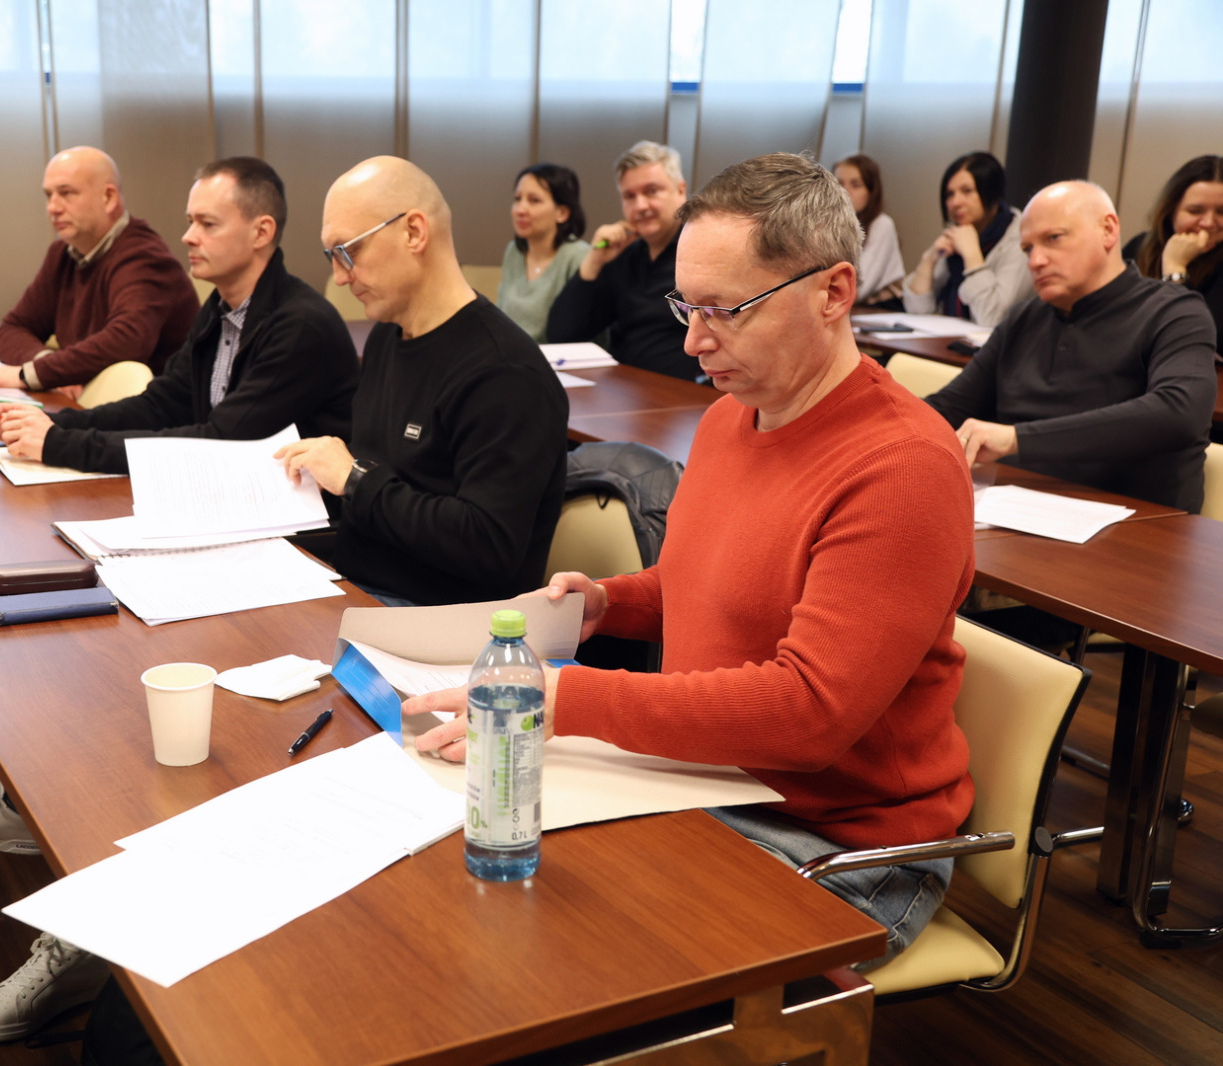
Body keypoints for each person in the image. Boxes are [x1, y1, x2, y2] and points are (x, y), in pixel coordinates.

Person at [406, 153, 976, 963]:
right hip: (714, 782)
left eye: (725, 311)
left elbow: (809, 712)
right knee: (480, 859)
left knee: (561, 943)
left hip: (840, 842)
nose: (694, 339)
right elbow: (709, 582)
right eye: (687, 305)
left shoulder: (901, 466)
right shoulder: (731, 417)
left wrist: (573, 700)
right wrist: (615, 602)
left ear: (834, 293)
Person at [275, 156, 568, 607]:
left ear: (413, 232)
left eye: (348, 251)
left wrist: (354, 479)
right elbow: (385, 490)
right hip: (359, 585)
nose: (339, 276)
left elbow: (488, 545)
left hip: (438, 616)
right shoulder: (386, 338)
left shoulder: (504, 371)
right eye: (332, 257)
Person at [0, 157, 358, 473]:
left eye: (207, 224)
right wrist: (52, 423)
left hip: (302, 522)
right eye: (190, 221)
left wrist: (59, 444)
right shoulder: (220, 309)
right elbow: (160, 405)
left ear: (261, 232)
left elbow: (221, 444)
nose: (188, 237)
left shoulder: (299, 325)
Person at [926, 180, 1217, 514]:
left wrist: (1016, 438)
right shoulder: (1024, 318)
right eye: (1027, 249)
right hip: (1017, 510)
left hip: (1138, 523)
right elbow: (948, 407)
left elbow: (1179, 413)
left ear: (1108, 230)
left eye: (1053, 238)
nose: (1035, 260)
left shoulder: (1174, 311)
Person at [0, 146, 198, 391]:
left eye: (66, 193)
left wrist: (36, 373)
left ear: (108, 198)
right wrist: (51, 367)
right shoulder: (61, 254)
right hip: (91, 402)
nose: (53, 207)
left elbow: (127, 341)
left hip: (152, 409)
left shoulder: (144, 257)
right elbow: (12, 328)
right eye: (48, 195)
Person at [546, 141, 700, 380]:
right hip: (624, 388)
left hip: (685, 392)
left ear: (681, 190)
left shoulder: (702, 254)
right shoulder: (624, 257)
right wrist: (593, 262)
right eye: (629, 196)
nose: (640, 206)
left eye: (651, 191)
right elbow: (562, 334)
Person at [903, 151, 1032, 326]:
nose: (955, 202)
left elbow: (993, 317)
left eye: (967, 191)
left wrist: (972, 255)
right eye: (950, 194)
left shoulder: (1021, 239)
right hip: (947, 339)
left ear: (991, 192)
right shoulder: (957, 236)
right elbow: (916, 310)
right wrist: (929, 259)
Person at [1125, 154, 1223, 336]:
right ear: (1171, 211)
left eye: (1221, 212)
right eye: (1195, 211)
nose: (1209, 223)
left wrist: (1175, 268)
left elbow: (1192, 335)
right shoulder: (1138, 247)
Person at [496, 163, 589, 342]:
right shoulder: (514, 251)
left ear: (562, 213)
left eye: (534, 200)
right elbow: (500, 317)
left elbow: (579, 330)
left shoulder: (579, 256)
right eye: (517, 199)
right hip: (513, 354)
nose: (520, 210)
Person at [834, 154, 904, 310]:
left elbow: (858, 287)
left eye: (856, 185)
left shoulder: (882, 224)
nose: (845, 192)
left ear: (872, 191)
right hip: (843, 305)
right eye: (839, 184)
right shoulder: (830, 226)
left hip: (881, 309)